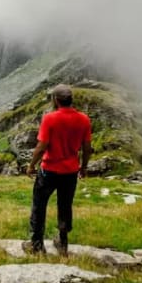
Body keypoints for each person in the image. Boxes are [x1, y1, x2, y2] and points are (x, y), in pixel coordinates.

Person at [25, 84, 92, 256]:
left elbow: (42, 146)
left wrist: (32, 165)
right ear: (71, 100)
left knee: (39, 206)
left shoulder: (50, 118)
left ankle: (37, 245)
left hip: (49, 170)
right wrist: (83, 167)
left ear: (56, 100)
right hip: (70, 172)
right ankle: (62, 242)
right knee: (65, 205)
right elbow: (87, 146)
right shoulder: (84, 119)